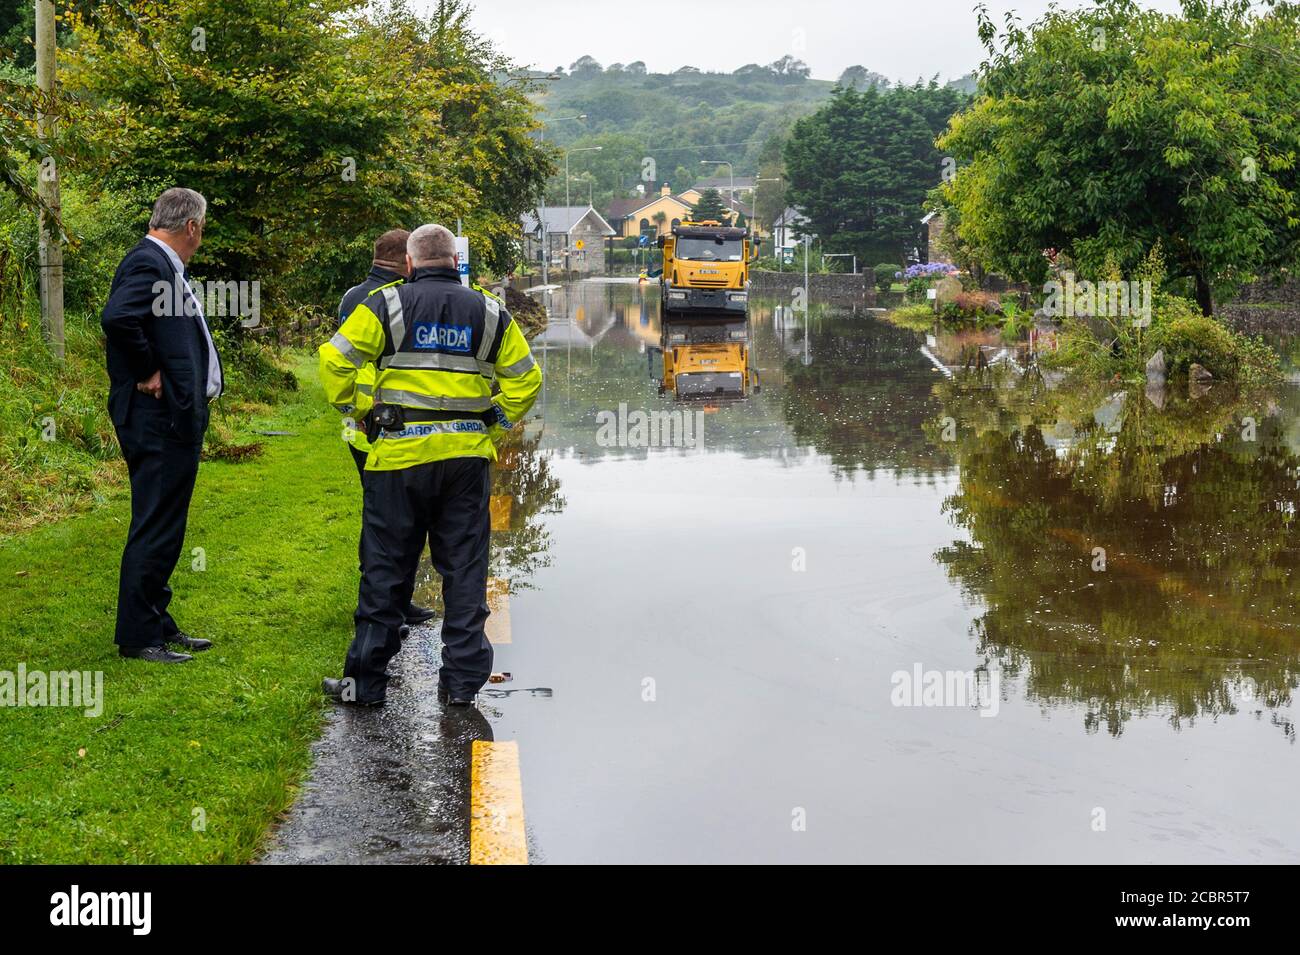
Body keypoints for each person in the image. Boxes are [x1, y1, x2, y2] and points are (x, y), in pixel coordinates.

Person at [318, 224, 541, 706]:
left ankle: (365, 686)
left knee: (385, 571)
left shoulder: (385, 304)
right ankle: (461, 686)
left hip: (398, 459)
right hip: (464, 462)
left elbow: (335, 361)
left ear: (412, 261)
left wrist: (358, 409)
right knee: (464, 571)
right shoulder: (489, 310)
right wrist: (493, 419)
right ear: (454, 261)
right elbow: (526, 380)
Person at [101, 187, 222, 663]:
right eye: (202, 229)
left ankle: (156, 619)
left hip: (169, 416)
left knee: (166, 522)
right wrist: (148, 369)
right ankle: (137, 636)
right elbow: (117, 318)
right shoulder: (148, 263)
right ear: (191, 226)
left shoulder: (162, 264)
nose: (201, 237)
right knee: (155, 522)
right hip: (156, 418)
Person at [337, 229, 434, 627]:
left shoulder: (351, 297)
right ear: (405, 260)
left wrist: (352, 408)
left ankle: (383, 597)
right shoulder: (395, 301)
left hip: (355, 423)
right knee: (402, 518)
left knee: (378, 511)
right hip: (388, 420)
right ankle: (390, 601)